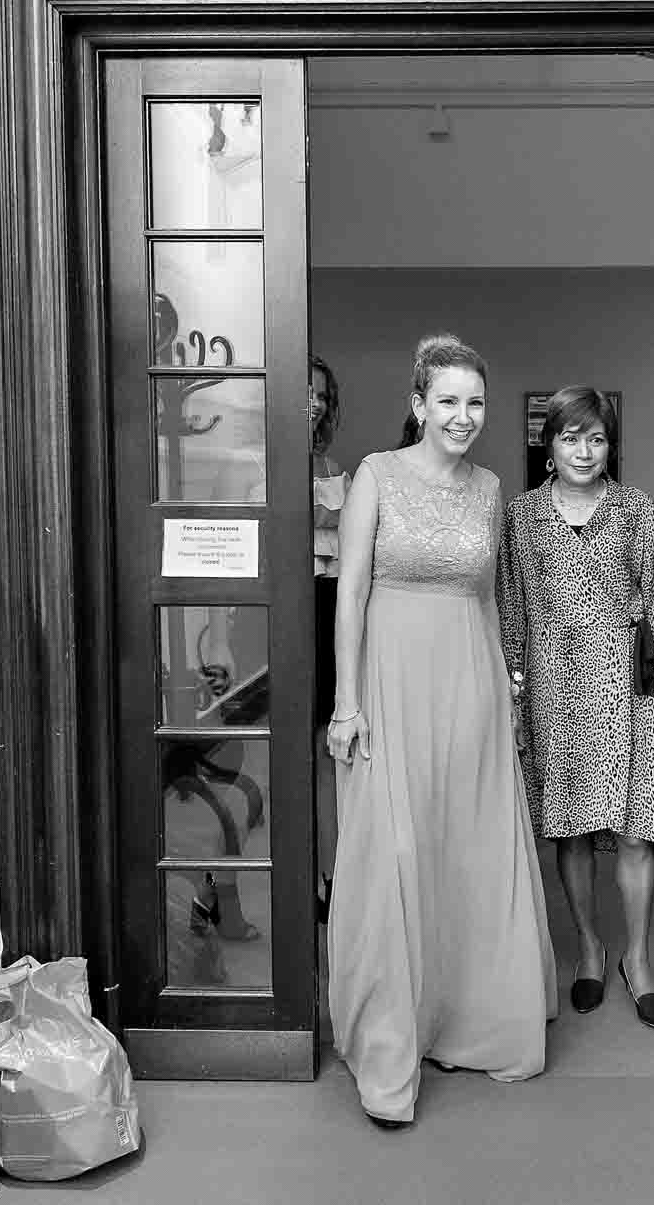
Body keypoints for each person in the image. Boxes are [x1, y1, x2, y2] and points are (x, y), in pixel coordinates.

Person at [326, 333, 556, 1128]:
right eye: (448, 401)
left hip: (471, 683)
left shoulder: (492, 488)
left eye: (475, 402)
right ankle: (390, 1039)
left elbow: (487, 597)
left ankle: (467, 1020)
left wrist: (506, 692)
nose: (463, 416)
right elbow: (349, 593)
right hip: (389, 682)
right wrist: (346, 704)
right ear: (418, 405)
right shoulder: (376, 476)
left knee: (465, 848)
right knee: (395, 848)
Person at [498, 386, 654, 1033]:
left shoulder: (636, 509)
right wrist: (515, 697)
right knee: (572, 830)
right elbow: (513, 613)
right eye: (570, 437)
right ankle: (589, 948)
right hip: (555, 694)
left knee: (636, 831)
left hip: (625, 692)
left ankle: (637, 958)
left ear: (612, 446)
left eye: (597, 437)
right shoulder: (521, 517)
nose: (584, 450)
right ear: (548, 445)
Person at [309, 356, 345, 919]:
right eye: (304, 391)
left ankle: (330, 876)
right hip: (286, 608)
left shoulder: (328, 462)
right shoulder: (258, 459)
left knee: (324, 748)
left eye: (320, 395)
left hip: (329, 605)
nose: (313, 402)